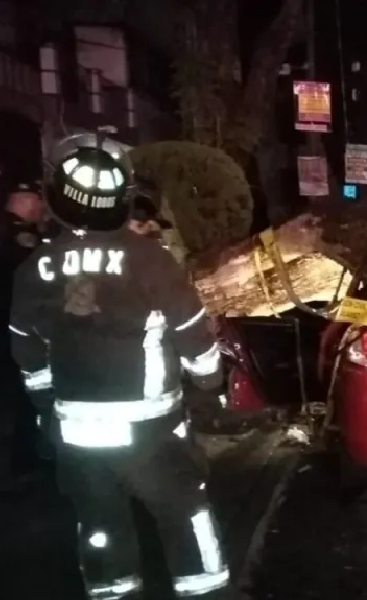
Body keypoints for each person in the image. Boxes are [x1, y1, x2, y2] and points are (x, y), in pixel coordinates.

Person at [8, 133, 232, 599]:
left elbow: (26, 344)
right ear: (122, 196)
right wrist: (210, 378)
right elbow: (191, 330)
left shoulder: (36, 266)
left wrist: (47, 403)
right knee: (186, 517)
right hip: (151, 430)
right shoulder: (150, 259)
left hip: (77, 436)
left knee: (100, 526)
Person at [0, 179, 47, 481]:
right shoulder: (20, 236)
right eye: (38, 203)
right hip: (12, 325)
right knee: (21, 396)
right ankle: (20, 464)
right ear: (26, 202)